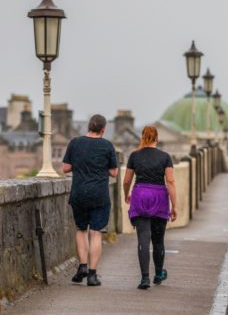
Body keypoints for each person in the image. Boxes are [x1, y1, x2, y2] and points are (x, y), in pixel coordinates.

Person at [62, 114, 118, 286]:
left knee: (81, 230)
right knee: (96, 233)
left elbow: (65, 168)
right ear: (103, 129)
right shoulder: (107, 146)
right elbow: (114, 172)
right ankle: (93, 275)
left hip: (79, 193)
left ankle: (82, 267)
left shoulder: (75, 143)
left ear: (89, 126)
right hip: (99, 195)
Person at [123, 126, 177, 290]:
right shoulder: (165, 157)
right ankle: (159, 274)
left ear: (143, 137)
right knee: (158, 240)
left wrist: (127, 195)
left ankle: (145, 279)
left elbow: (126, 180)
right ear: (157, 139)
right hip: (159, 197)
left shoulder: (134, 156)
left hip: (140, 196)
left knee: (143, 239)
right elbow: (171, 182)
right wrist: (174, 205)